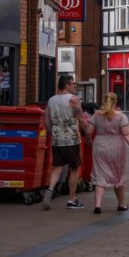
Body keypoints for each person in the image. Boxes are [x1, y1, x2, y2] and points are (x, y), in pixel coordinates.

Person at [43, 75, 89, 210]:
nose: (74, 86)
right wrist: (87, 132)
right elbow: (81, 118)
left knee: (57, 167)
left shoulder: (51, 100)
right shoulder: (73, 99)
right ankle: (72, 200)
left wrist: (52, 133)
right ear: (66, 85)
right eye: (73, 84)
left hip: (57, 140)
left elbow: (46, 120)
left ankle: (50, 190)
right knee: (74, 169)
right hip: (71, 139)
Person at [87, 92, 129, 214]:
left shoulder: (96, 115)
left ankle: (97, 206)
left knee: (100, 175)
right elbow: (126, 134)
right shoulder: (121, 116)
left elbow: (88, 132)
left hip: (100, 145)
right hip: (117, 147)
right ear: (116, 102)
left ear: (104, 101)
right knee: (118, 175)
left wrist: (89, 142)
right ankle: (121, 204)